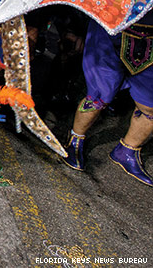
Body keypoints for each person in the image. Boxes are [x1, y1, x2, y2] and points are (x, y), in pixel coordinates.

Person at [63, 12, 153, 186]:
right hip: (111, 28)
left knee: (150, 104)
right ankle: (75, 140)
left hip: (150, 39)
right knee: (100, 96)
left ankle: (126, 151)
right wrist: (74, 29)